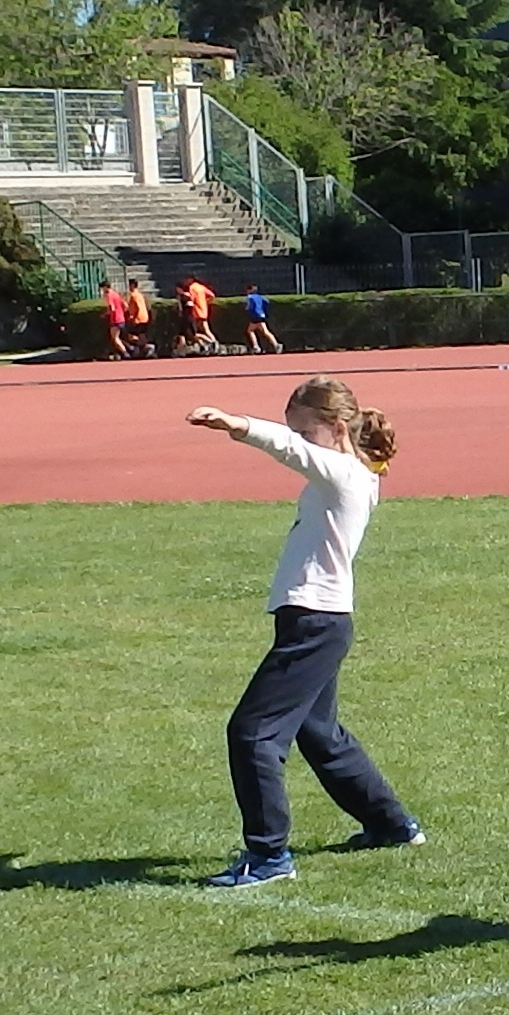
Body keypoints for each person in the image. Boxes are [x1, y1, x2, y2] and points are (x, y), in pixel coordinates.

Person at [187, 377, 424, 887]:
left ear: (337, 428)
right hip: (318, 620)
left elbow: (288, 447)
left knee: (252, 733)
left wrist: (238, 424)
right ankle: (391, 825)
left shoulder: (342, 473)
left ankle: (269, 856)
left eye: (305, 428)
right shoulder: (349, 474)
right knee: (319, 733)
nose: (298, 437)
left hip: (315, 622)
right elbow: (298, 446)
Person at [244, 284, 283, 355]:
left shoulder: (249, 297)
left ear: (249, 290)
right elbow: (267, 302)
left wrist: (248, 309)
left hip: (255, 316)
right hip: (262, 315)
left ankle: (256, 347)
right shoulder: (260, 297)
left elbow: (248, 307)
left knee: (250, 330)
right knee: (265, 331)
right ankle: (276, 344)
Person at [181, 275, 216, 352]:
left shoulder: (192, 288)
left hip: (196, 312)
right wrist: (207, 302)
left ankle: (213, 342)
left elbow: (191, 300)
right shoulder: (201, 287)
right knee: (205, 330)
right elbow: (212, 295)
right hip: (204, 310)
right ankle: (206, 345)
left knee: (197, 332)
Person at [103, 278, 131, 359]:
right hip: (121, 317)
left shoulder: (108, 295)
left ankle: (125, 352)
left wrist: (104, 314)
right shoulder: (116, 294)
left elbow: (111, 308)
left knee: (115, 338)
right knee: (118, 337)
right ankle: (129, 348)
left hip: (115, 319)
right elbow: (125, 305)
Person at [125, 279, 154, 357]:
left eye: (130, 285)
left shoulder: (134, 295)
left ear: (133, 285)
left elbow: (138, 307)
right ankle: (144, 349)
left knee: (130, 335)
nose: (129, 287)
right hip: (144, 317)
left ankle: (146, 347)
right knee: (141, 335)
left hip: (139, 318)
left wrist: (134, 317)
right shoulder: (140, 295)